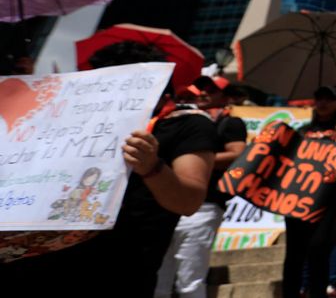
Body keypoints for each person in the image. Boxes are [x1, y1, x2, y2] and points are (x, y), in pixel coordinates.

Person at [0, 41, 217, 297]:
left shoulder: (187, 125)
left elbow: (188, 201)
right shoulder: (72, 121)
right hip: (32, 262)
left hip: (118, 270)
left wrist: (151, 167)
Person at [155, 77, 247, 298]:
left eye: (212, 90)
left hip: (203, 207)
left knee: (190, 280)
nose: (204, 93)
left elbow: (238, 153)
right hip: (166, 205)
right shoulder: (181, 121)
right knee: (159, 280)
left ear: (225, 97)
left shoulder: (230, 122)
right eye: (202, 88)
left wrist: (193, 157)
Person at [282, 86, 336, 298]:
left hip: (330, 202)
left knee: (321, 251)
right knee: (294, 254)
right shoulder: (301, 132)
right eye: (319, 98)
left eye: (329, 98)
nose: (323, 102)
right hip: (298, 201)